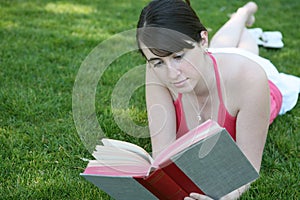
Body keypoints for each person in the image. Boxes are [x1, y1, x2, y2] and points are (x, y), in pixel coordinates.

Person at [136, 0, 300, 199]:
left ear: (202, 40)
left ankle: (243, 12)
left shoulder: (251, 79)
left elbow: (248, 168)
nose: (172, 74)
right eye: (158, 62)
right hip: (210, 63)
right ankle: (242, 15)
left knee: (244, 52)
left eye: (178, 56)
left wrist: (226, 197)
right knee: (223, 46)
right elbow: (162, 155)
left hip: (251, 81)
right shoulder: (158, 66)